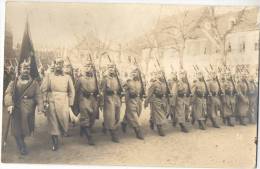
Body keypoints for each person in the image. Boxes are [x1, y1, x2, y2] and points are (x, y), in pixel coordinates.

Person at [4, 59, 43, 155]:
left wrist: (40, 107)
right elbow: (8, 93)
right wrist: (9, 104)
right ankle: (21, 146)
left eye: (28, 69)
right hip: (16, 107)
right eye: (24, 68)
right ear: (20, 70)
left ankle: (21, 141)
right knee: (17, 127)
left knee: (26, 128)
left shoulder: (34, 82)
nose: (26, 70)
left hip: (29, 108)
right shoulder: (14, 81)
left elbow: (38, 95)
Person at [41, 57, 75, 151]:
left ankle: (61, 132)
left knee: (63, 120)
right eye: (57, 63)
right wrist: (45, 101)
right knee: (53, 122)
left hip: (64, 102)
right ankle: (55, 142)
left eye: (61, 64)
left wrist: (70, 104)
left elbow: (72, 91)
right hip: (52, 101)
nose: (58, 65)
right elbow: (44, 90)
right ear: (54, 65)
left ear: (63, 65)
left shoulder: (67, 77)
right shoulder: (49, 76)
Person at [74, 60, 99, 145]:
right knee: (85, 118)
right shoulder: (80, 79)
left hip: (93, 100)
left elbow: (98, 89)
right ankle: (89, 138)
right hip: (83, 100)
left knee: (92, 117)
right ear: (83, 68)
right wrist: (76, 105)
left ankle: (83, 128)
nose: (88, 68)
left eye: (89, 66)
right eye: (86, 66)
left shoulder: (95, 78)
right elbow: (76, 91)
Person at [100, 63, 123, 143]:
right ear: (107, 69)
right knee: (111, 117)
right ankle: (113, 134)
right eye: (109, 67)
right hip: (108, 99)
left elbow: (121, 89)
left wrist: (121, 95)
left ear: (115, 68)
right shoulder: (105, 79)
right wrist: (102, 102)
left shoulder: (118, 79)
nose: (111, 69)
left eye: (112, 67)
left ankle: (106, 126)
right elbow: (102, 92)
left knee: (117, 116)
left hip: (117, 98)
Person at [121, 67, 144, 140]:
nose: (134, 74)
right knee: (134, 116)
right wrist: (127, 91)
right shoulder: (128, 81)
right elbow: (122, 88)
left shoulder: (140, 82)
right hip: (130, 100)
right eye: (133, 73)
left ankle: (124, 123)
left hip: (138, 101)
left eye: (135, 73)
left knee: (136, 113)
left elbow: (142, 91)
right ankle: (138, 132)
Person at [144, 70, 168, 136]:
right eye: (159, 74)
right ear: (157, 75)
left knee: (157, 113)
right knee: (158, 114)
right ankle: (160, 129)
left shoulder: (164, 84)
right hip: (155, 100)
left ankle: (151, 121)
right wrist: (146, 102)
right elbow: (149, 93)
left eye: (162, 74)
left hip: (162, 100)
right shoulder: (154, 84)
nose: (161, 75)